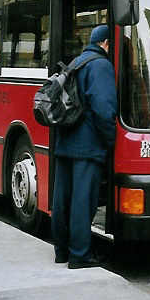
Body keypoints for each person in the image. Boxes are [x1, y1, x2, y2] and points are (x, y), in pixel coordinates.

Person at [52, 24, 117, 269]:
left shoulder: (77, 62)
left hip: (65, 141)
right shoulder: (100, 65)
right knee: (83, 200)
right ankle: (80, 255)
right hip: (87, 145)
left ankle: (61, 251)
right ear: (107, 43)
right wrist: (111, 141)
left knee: (63, 199)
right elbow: (104, 108)